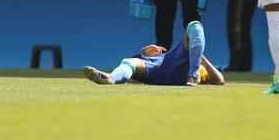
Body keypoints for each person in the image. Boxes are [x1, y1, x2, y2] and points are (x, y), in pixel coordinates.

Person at [83, 21, 225, 87]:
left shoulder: (200, 65)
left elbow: (220, 80)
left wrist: (201, 59)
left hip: (183, 70)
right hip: (159, 65)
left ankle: (192, 77)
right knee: (129, 62)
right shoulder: (160, 58)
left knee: (195, 26)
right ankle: (110, 78)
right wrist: (142, 53)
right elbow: (134, 75)